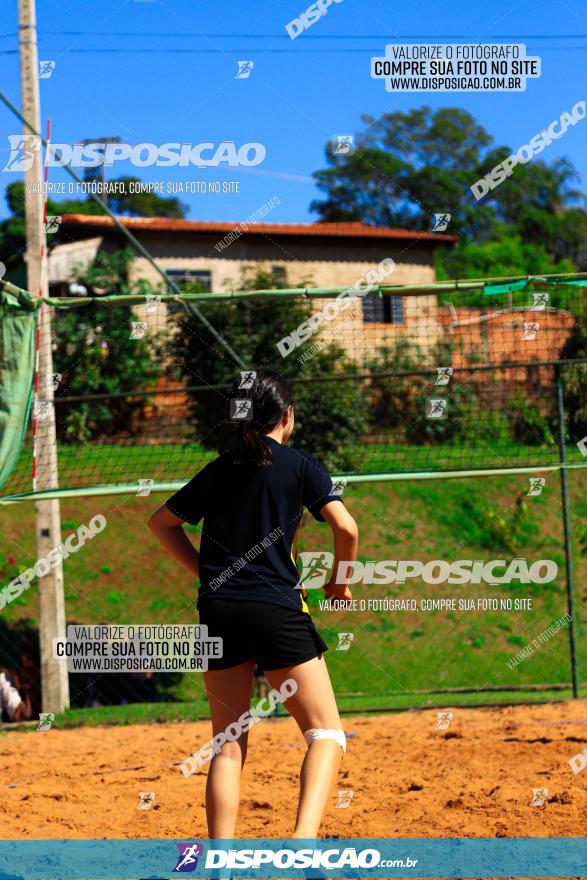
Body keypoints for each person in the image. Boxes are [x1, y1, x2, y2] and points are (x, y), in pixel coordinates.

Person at [149, 368, 358, 839]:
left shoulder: (221, 467)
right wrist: (340, 584)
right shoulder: (300, 464)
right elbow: (346, 528)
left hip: (218, 609)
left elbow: (161, 523)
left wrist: (207, 574)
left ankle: (220, 866)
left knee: (227, 744)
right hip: (276, 608)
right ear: (286, 416)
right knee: (326, 735)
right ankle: (302, 844)